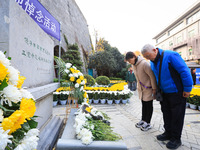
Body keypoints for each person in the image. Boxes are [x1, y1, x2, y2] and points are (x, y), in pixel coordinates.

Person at [141, 44, 193, 149]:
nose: (148, 58)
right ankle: (168, 133)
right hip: (164, 93)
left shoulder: (171, 55)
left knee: (176, 116)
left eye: (148, 55)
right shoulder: (153, 62)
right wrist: (156, 90)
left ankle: (176, 139)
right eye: (145, 57)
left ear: (155, 50)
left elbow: (184, 71)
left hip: (176, 92)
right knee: (167, 114)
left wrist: (187, 88)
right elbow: (156, 77)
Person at [125, 52, 157, 131]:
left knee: (148, 105)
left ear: (134, 57)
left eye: (130, 60)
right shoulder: (134, 65)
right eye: (128, 61)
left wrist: (154, 88)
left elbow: (152, 76)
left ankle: (148, 123)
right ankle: (143, 120)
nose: (130, 62)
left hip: (148, 88)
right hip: (141, 89)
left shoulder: (144, 64)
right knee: (144, 104)